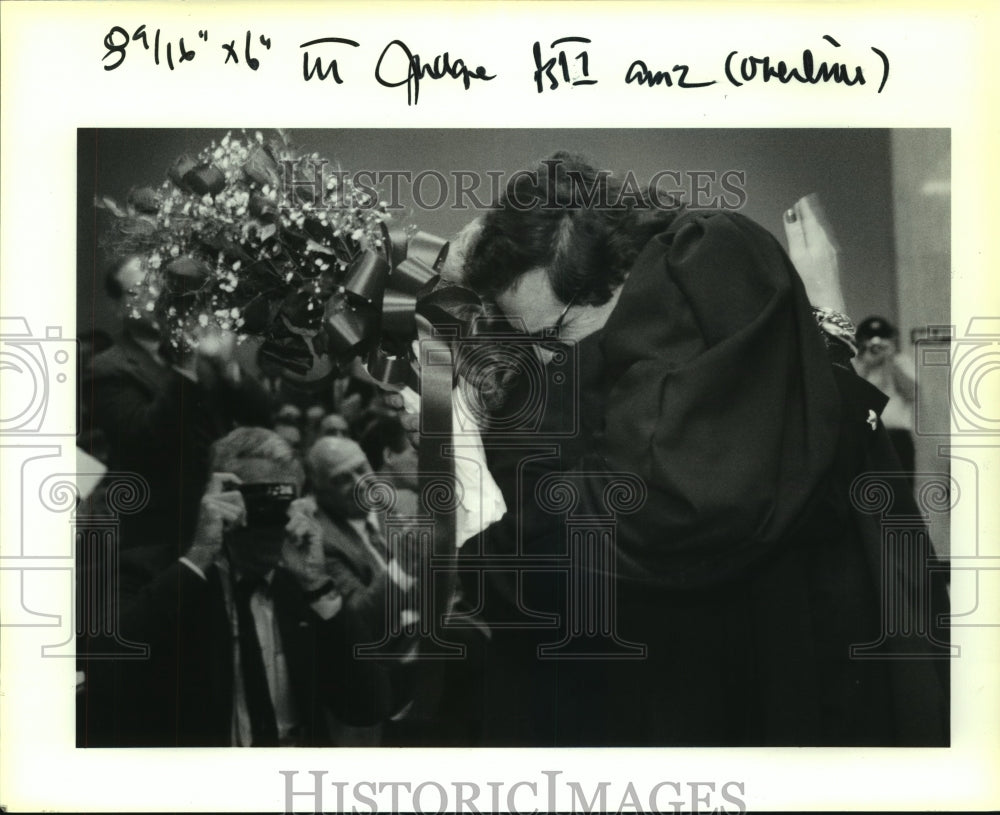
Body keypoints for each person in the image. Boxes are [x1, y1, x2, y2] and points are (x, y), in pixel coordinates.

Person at [448, 152, 948, 746]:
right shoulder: (735, 315)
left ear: (614, 283)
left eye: (551, 337)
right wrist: (827, 329)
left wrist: (477, 563)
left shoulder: (653, 382)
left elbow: (581, 545)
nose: (548, 359)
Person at [80, 427, 392, 747]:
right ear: (215, 497)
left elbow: (368, 706)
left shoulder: (300, 586)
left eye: (281, 499)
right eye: (256, 499)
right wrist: (199, 556)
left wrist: (317, 585)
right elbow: (105, 673)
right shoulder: (157, 573)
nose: (268, 514)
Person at [82, 254, 274, 566]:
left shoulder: (200, 351)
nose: (156, 297)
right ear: (118, 307)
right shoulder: (105, 369)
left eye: (159, 286)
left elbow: (264, 416)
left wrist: (227, 368)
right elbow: (143, 440)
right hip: (162, 535)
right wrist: (185, 370)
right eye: (140, 291)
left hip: (228, 515)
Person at [854, 315, 917, 487]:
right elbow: (850, 395)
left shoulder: (901, 362)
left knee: (901, 496)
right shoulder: (857, 364)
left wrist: (890, 361)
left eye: (883, 338)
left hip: (897, 438)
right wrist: (866, 364)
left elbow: (911, 393)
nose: (876, 344)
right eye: (870, 338)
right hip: (865, 438)